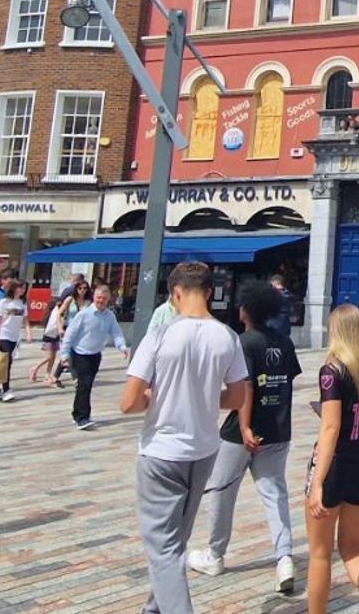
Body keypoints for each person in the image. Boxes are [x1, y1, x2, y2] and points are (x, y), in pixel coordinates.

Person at [120, 261, 250, 614]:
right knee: (175, 539)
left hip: (162, 450)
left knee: (162, 546)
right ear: (210, 292)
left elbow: (129, 401)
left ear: (175, 293)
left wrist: (156, 397)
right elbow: (237, 398)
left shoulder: (161, 334)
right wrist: (207, 397)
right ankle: (154, 608)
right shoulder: (227, 336)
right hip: (203, 449)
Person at [188, 281, 302, 596]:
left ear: (246, 310)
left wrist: (246, 427)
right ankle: (284, 558)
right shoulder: (285, 343)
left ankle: (215, 554)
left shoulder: (244, 342)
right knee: (274, 494)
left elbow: (246, 386)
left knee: (221, 490)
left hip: (241, 433)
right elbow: (284, 385)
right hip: (279, 430)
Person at [305, 303, 359, 614]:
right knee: (354, 547)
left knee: (319, 553)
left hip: (336, 462)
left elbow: (331, 427)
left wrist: (317, 481)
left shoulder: (332, 370)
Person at [59, 284, 129, 430]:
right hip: (79, 354)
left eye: (104, 298)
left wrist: (122, 347)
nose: (100, 301)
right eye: (98, 298)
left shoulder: (109, 316)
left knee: (86, 385)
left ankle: (77, 413)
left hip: (95, 355)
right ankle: (82, 417)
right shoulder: (84, 314)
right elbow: (70, 334)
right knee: (85, 384)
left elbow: (116, 332)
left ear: (108, 299)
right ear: (94, 298)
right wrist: (64, 354)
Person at [0, 280, 27, 402]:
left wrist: (27, 332)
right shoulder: (4, 302)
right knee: (6, 363)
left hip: (15, 337)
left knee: (4, 363)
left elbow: (25, 320)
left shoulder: (22, 303)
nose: (23, 290)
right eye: (21, 288)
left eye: (24, 288)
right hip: (4, 335)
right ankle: (6, 390)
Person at [268, 273, 293, 338]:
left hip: (273, 326)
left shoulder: (273, 295)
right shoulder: (288, 294)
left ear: (275, 282)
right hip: (285, 325)